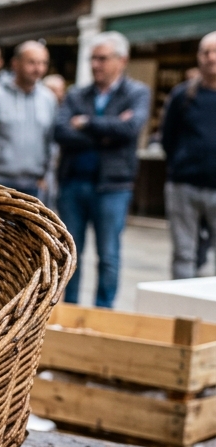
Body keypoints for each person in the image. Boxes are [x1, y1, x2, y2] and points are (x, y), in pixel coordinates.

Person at [54, 31, 151, 309]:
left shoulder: (137, 93)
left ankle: (104, 310)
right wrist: (108, 130)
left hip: (112, 187)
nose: (96, 65)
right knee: (72, 255)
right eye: (93, 59)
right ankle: (69, 312)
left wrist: (85, 123)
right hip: (73, 185)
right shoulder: (76, 94)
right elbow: (61, 132)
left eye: (102, 59)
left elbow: (131, 128)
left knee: (108, 255)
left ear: (122, 60)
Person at [161, 31, 216, 279]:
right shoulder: (183, 95)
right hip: (184, 186)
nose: (211, 58)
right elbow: (168, 137)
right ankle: (180, 311)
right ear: (198, 57)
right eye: (206, 52)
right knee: (184, 253)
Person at [0, 41, 55, 197]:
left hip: (33, 185)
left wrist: (47, 177)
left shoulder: (48, 99)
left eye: (43, 63)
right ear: (15, 63)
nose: (38, 68)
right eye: (32, 62)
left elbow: (50, 142)